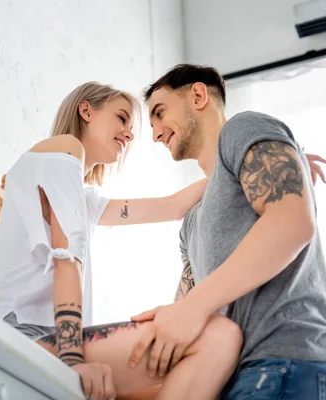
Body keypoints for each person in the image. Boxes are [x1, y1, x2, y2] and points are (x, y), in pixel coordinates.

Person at [0, 82, 245, 400]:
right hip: (16, 332)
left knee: (187, 382)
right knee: (216, 336)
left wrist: (255, 158)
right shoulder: (63, 149)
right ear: (86, 110)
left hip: (45, 338)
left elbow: (172, 206)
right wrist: (73, 361)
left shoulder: (82, 197)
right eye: (121, 119)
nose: (130, 134)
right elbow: (67, 261)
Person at [130, 64, 326, 399]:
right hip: (233, 380)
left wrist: (191, 310)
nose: (156, 134)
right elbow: (186, 316)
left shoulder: (242, 128)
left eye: (160, 114)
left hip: (285, 364)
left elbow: (292, 221)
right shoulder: (190, 223)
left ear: (198, 95)